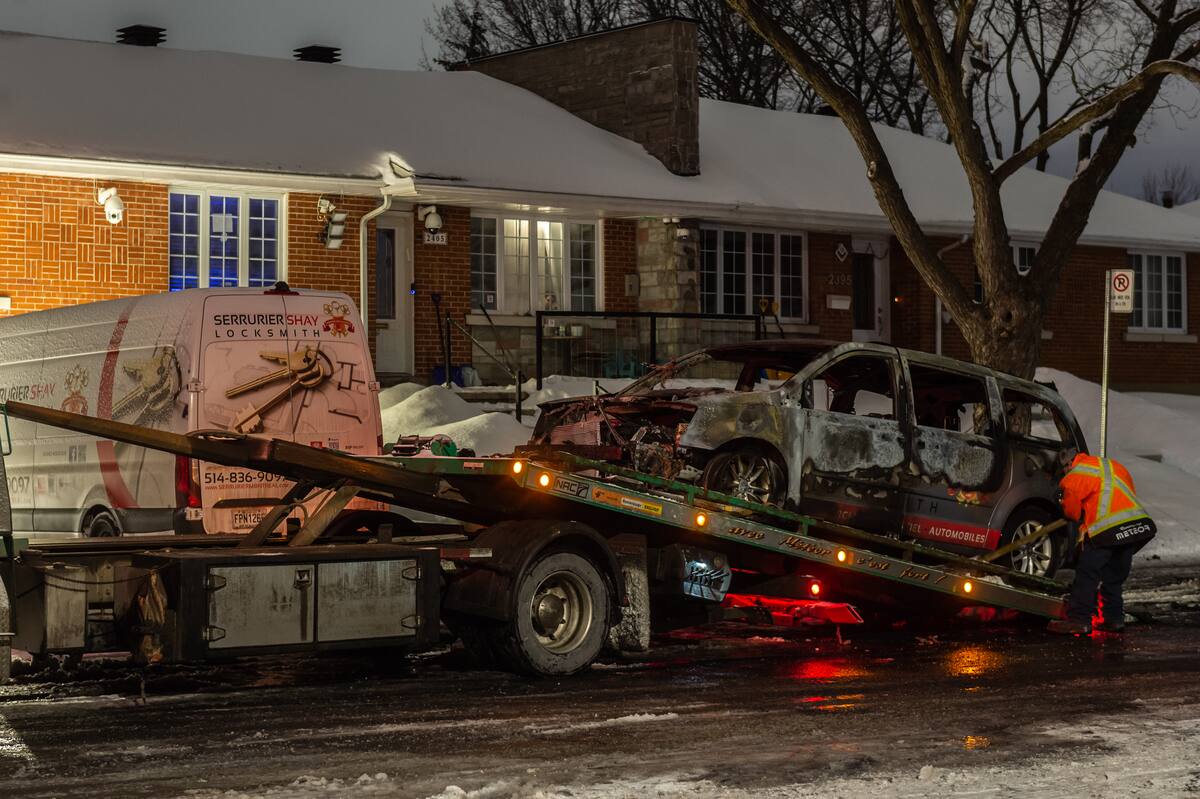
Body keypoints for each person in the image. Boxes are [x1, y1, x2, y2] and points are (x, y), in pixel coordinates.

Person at [1048, 453, 1156, 635]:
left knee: (1087, 575)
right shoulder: (1113, 466)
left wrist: (1067, 505)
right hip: (1133, 525)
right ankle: (1113, 619)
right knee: (1114, 576)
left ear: (1066, 465)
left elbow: (1072, 513)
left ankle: (1078, 620)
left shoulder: (1074, 475)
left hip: (1105, 530)